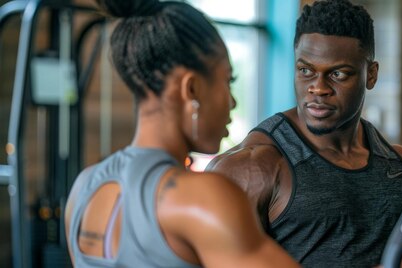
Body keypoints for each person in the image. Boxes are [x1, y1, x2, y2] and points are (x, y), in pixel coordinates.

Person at [207, 0, 402, 267]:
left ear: (371, 74)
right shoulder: (250, 169)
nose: (318, 88)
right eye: (306, 71)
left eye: (338, 74)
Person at [63, 0, 299, 267]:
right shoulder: (202, 196)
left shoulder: (83, 188)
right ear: (192, 89)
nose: (232, 102)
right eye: (227, 81)